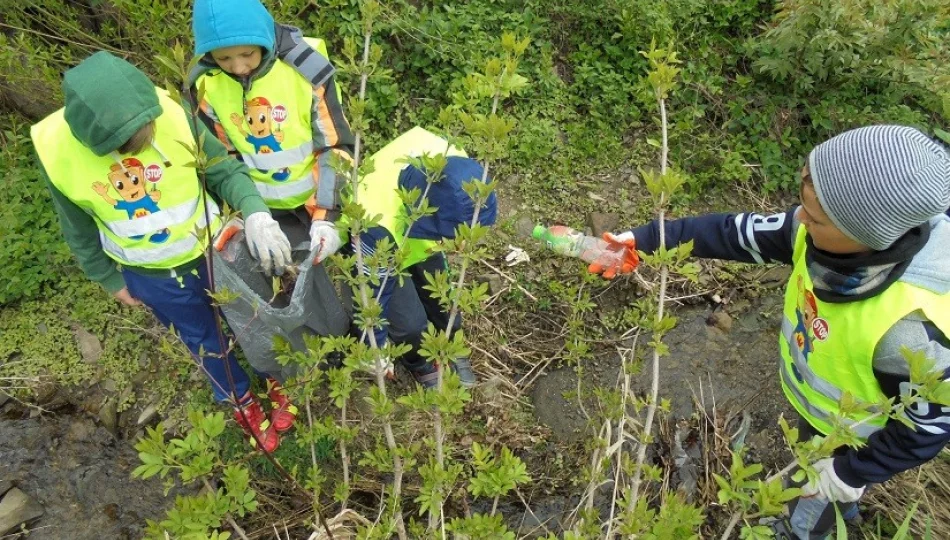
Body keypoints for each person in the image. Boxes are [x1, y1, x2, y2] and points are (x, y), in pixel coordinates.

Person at [602, 125, 950, 538]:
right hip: (819, 411)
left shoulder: (910, 333)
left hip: (855, 437)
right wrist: (644, 240)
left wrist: (852, 472)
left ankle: (807, 528)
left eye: (814, 215)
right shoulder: (818, 233)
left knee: (814, 504)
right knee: (811, 464)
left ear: (863, 236)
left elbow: (929, 425)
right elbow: (732, 232)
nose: (797, 218)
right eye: (803, 200)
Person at [189, 0, 476, 389]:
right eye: (225, 58)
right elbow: (224, 160)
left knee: (396, 293)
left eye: (246, 54)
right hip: (269, 210)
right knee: (318, 287)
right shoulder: (204, 83)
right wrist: (245, 212)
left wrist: (327, 213)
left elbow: (335, 145)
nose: (239, 67)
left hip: (324, 199)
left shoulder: (305, 68)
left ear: (265, 40)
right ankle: (344, 354)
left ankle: (419, 356)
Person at [30, 51, 295, 453]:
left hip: (216, 252)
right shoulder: (59, 153)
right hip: (151, 274)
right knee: (204, 341)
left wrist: (257, 213)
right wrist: (108, 278)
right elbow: (78, 228)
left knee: (254, 318)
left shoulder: (173, 112)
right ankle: (243, 404)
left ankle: (276, 377)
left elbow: (223, 170)